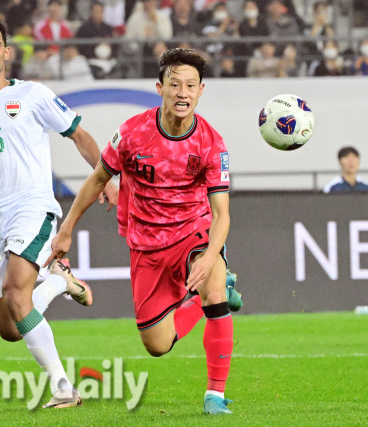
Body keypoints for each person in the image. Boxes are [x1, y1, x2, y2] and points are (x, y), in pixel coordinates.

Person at [46, 48, 242, 415]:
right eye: (174, 84)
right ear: (159, 88)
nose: (182, 92)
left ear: (201, 91)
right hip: (146, 245)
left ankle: (215, 394)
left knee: (211, 277)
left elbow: (221, 215)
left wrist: (212, 255)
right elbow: (96, 181)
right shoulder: (132, 133)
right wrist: (67, 229)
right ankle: (205, 299)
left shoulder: (212, 144)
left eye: (190, 85)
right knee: (157, 344)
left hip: (192, 232)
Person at [0, 16, 118, 409]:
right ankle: (58, 282)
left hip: (32, 208)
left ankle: (63, 388)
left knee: (15, 291)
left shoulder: (32, 95)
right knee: (9, 326)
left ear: (7, 52)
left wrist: (106, 177)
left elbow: (79, 133)